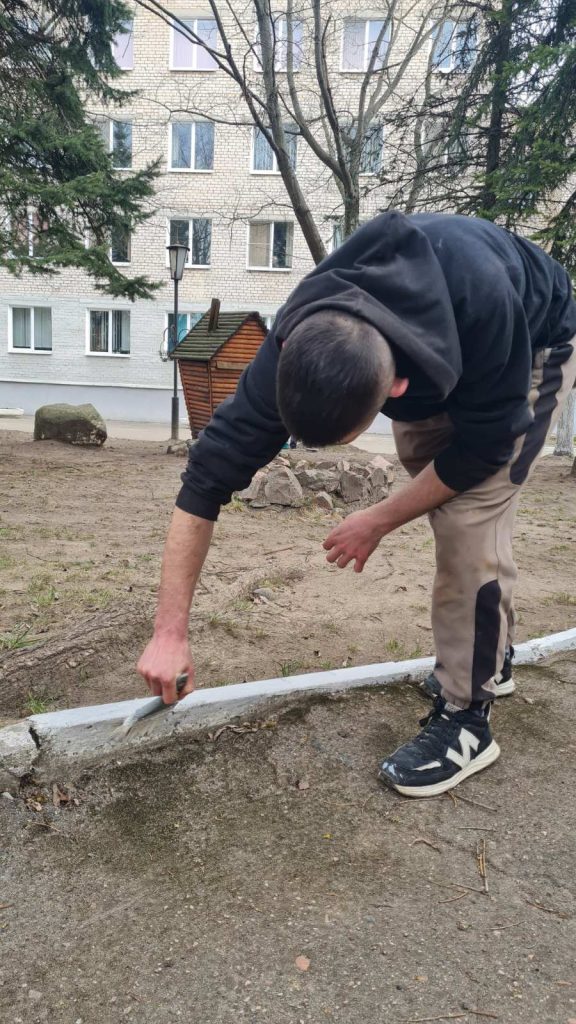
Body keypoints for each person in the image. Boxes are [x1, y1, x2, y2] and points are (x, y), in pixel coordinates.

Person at [138, 212, 576, 798]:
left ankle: (469, 718)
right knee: (438, 486)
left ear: (396, 390)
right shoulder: (296, 334)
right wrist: (169, 633)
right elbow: (204, 480)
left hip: (533, 339)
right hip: (439, 346)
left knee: (470, 519)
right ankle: (486, 656)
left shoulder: (485, 303)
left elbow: (484, 449)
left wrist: (378, 519)